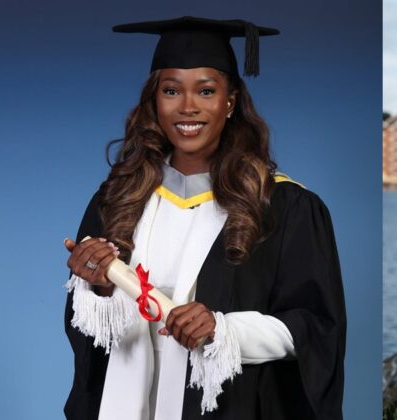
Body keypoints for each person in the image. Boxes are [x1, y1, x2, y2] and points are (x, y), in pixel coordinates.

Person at [62, 16, 346, 420]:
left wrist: (223, 330)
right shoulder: (118, 198)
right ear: (154, 101)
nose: (188, 106)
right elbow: (88, 335)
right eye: (171, 90)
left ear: (230, 101)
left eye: (206, 90)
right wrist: (96, 288)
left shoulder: (281, 205)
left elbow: (316, 329)